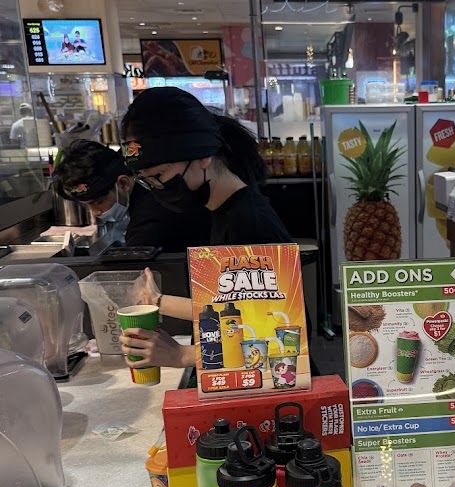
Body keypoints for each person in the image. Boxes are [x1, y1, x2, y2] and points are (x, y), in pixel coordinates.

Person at [118, 87, 292, 373]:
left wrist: (183, 356)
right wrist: (159, 302)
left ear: (202, 156)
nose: (159, 190)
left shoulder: (249, 223)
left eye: (161, 175)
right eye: (148, 181)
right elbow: (239, 309)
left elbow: (280, 337)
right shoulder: (222, 211)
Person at [52, 138, 212, 249]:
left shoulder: (148, 221)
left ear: (122, 183)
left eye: (99, 202)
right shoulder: (148, 186)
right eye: (88, 205)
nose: (95, 212)